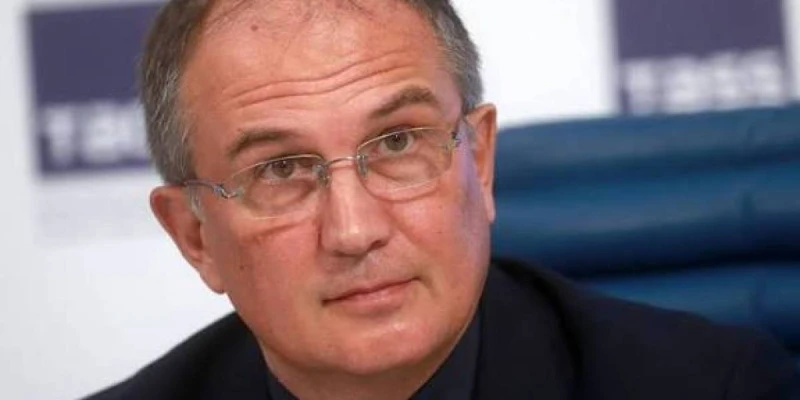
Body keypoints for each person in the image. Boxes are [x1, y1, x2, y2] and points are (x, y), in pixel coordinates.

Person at [85, 0, 800, 399]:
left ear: (479, 163)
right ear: (195, 237)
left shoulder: (712, 388)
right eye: (280, 170)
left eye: (397, 143)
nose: (354, 230)